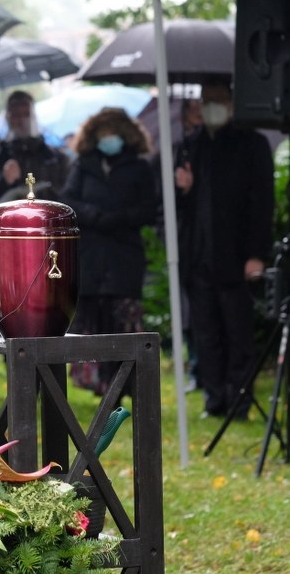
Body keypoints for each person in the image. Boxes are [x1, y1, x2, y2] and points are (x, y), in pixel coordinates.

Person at [174, 79, 274, 418]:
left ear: (232, 103)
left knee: (238, 334)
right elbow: (174, 208)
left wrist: (257, 253)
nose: (211, 106)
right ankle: (214, 399)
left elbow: (262, 204)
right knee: (206, 335)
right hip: (198, 258)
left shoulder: (252, 145)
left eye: (218, 100)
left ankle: (239, 400)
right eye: (206, 100)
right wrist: (183, 189)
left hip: (235, 256)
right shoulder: (190, 146)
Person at [60, 108, 157, 396]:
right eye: (101, 133)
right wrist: (94, 215)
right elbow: (68, 199)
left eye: (111, 132)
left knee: (122, 318)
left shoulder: (139, 167)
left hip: (123, 255)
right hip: (90, 256)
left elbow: (148, 209)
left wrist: (116, 218)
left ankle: (125, 381)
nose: (107, 138)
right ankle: (97, 380)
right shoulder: (83, 165)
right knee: (93, 317)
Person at [0, 90, 71, 206]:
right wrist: (3, 181)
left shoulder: (54, 157)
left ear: (34, 117)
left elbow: (68, 193)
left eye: (26, 114)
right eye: (16, 115)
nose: (22, 121)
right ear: (8, 118)